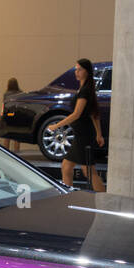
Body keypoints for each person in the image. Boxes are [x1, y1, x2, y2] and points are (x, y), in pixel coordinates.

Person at [45, 58, 106, 191]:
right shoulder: (85, 89)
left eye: (80, 69)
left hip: (83, 136)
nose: (76, 72)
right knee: (66, 167)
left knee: (88, 170)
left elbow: (77, 114)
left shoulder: (85, 91)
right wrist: (99, 134)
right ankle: (69, 196)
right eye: (76, 69)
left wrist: (56, 126)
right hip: (81, 135)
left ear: (87, 72)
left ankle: (104, 199)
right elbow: (94, 114)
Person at [2, 77, 22, 152]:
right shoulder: (20, 93)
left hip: (9, 115)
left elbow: (5, 105)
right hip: (18, 115)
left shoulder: (6, 94)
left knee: (7, 136)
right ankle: (17, 153)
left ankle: (6, 153)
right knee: (17, 137)